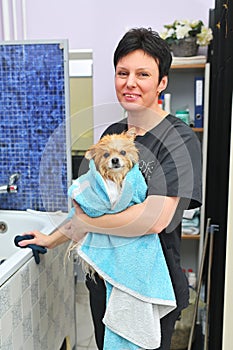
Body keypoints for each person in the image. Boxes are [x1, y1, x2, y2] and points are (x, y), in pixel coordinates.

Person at [20, 27, 202, 349]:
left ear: (161, 82)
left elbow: (153, 219)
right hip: (105, 279)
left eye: (143, 74)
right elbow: (92, 202)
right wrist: (51, 239)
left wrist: (87, 224)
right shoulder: (113, 134)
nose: (130, 82)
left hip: (149, 288)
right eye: (122, 73)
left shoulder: (179, 139)